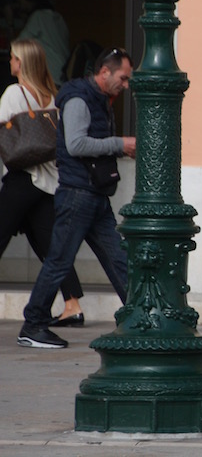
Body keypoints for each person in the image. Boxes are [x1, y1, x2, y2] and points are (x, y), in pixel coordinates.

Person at [17, 47, 136, 349]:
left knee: (119, 257)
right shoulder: (79, 99)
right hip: (77, 194)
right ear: (104, 72)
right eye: (123, 78)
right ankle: (33, 324)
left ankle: (139, 316)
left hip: (94, 194)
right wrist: (120, 144)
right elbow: (77, 144)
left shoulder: (99, 99)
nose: (126, 85)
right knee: (59, 260)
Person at [0, 39, 86, 326]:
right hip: (48, 183)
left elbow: (3, 136)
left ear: (21, 62)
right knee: (52, 246)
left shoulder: (14, 93)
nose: (10, 62)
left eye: (13, 57)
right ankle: (72, 304)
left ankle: (69, 305)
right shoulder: (53, 97)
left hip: (22, 178)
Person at [10, 0, 69, 87]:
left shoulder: (38, 17)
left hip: (49, 78)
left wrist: (10, 22)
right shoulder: (57, 17)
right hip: (61, 77)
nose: (18, 2)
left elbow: (17, 48)